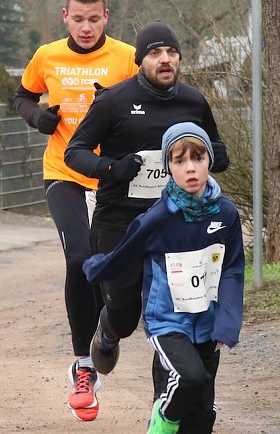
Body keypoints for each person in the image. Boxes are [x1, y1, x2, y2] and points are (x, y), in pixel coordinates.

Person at [64, 21, 229, 380]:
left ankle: (171, 390)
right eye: (155, 53)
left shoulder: (193, 101)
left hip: (176, 222)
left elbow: (217, 148)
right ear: (141, 60)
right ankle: (108, 332)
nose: (165, 59)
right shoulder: (113, 101)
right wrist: (112, 167)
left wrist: (208, 159)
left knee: (177, 311)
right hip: (120, 221)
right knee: (124, 313)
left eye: (171, 52)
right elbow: (73, 153)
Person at [12, 0, 137, 421]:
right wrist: (37, 117)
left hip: (112, 180)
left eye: (94, 18)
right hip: (63, 172)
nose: (86, 27)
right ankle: (83, 365)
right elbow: (22, 97)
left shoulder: (126, 58)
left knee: (109, 267)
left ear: (107, 15)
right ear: (65, 16)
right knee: (77, 260)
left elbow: (147, 107)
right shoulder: (47, 56)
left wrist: (119, 113)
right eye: (78, 19)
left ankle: (106, 331)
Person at [83, 123, 244, 434]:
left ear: (209, 160)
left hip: (207, 322)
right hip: (167, 321)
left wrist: (227, 320)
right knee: (189, 377)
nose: (190, 168)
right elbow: (125, 254)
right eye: (179, 161)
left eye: (197, 158)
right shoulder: (158, 217)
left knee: (201, 417)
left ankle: (176, 418)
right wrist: (97, 269)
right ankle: (163, 417)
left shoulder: (226, 214)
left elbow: (233, 269)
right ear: (168, 167)